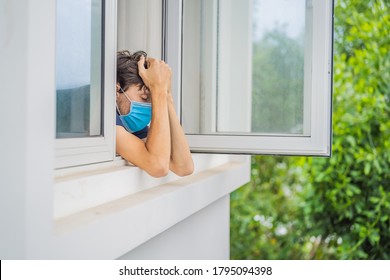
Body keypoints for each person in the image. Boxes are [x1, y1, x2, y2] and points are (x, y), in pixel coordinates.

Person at [115, 50, 194, 177]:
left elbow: (184, 166)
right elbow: (158, 166)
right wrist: (158, 90)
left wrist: (166, 95)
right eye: (145, 97)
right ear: (117, 90)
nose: (149, 106)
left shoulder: (131, 126)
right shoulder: (106, 121)